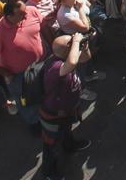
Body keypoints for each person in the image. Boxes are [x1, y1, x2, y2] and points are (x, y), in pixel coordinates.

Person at [38, 33, 93, 180]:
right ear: (68, 49)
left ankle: (70, 146)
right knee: (50, 145)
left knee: (66, 129)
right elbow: (73, 63)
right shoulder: (55, 66)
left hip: (66, 111)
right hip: (53, 115)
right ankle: (49, 172)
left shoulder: (66, 57)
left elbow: (85, 58)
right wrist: (76, 41)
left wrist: (84, 47)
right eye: (72, 43)